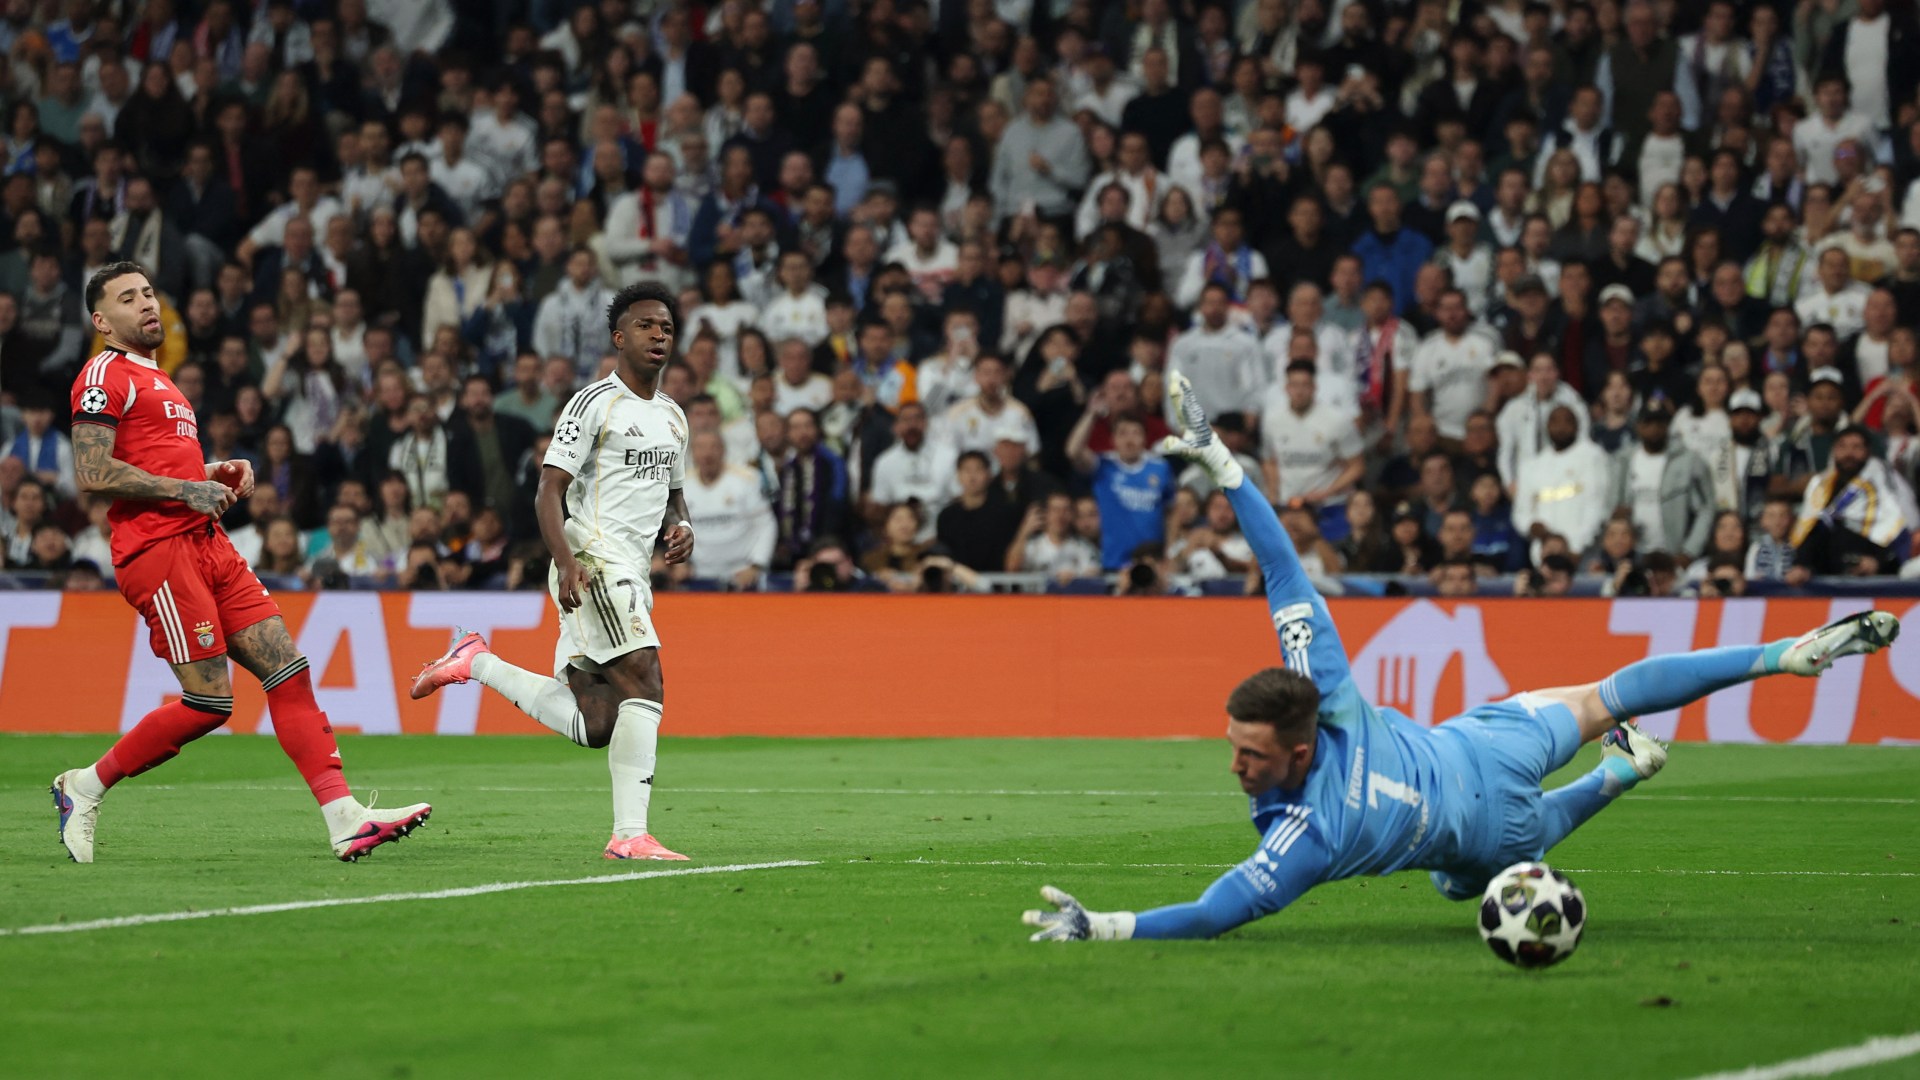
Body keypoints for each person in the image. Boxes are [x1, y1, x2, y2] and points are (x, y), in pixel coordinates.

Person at [1018, 372, 1903, 942]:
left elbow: (1220, 909)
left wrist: (1109, 925)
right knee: (1607, 694)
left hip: (1490, 835)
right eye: (1233, 748)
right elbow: (1283, 566)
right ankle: (1780, 656)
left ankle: (1615, 777)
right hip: (1485, 744)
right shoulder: (1324, 685)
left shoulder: (1308, 837)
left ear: (1297, 751)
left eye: (1249, 754)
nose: (1236, 766)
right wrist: (1222, 460)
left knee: (1456, 884)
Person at [50, 262, 431, 865]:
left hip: (209, 544)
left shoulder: (161, 379)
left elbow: (160, 465)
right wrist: (186, 490)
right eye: (127, 299)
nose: (146, 304)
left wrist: (213, 471)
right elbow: (92, 472)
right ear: (102, 321)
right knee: (209, 704)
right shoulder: (102, 376)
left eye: (148, 292)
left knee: (289, 669)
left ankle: (345, 818)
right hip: (160, 552)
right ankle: (85, 785)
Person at [412, 282, 692, 862]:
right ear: (619, 337)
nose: (659, 335)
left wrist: (681, 524)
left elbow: (673, 493)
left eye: (666, 327)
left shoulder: (672, 416)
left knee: (598, 723)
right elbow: (549, 489)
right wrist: (566, 562)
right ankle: (630, 835)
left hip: (632, 572)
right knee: (647, 683)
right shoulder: (593, 404)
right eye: (645, 325)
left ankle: (475, 661)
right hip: (592, 561)